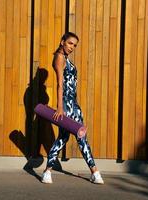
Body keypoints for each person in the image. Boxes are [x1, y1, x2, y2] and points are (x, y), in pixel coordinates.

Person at [41, 32, 104, 184]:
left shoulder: (66, 58)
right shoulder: (59, 57)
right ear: (62, 41)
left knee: (71, 137)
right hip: (66, 105)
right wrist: (60, 108)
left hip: (74, 105)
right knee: (71, 137)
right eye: (70, 43)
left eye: (75, 45)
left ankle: (48, 172)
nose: (72, 47)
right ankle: (94, 172)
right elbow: (60, 83)